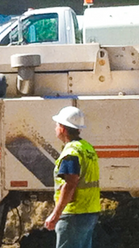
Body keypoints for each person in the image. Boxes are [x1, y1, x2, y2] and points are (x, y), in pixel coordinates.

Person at [44, 106, 100, 248]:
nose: (55, 128)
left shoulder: (71, 153)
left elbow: (70, 184)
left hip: (73, 214)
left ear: (63, 128)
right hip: (90, 211)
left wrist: (55, 215)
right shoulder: (87, 148)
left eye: (57, 125)